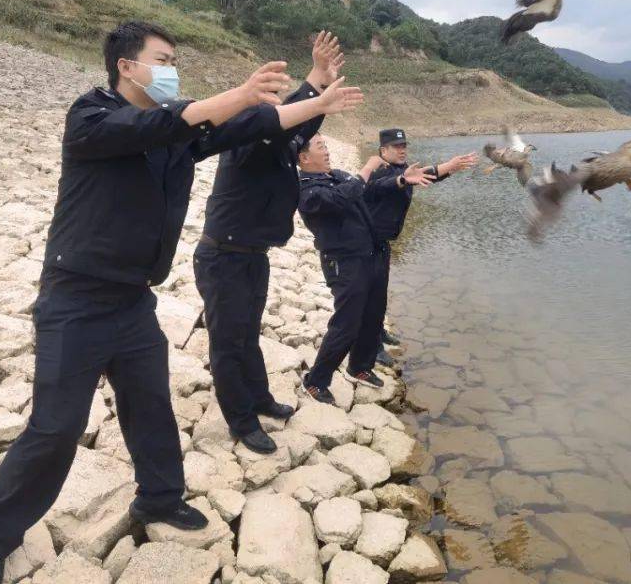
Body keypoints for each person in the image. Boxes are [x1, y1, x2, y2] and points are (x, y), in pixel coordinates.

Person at [0, 22, 358, 584]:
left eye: (174, 61)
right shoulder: (91, 117)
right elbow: (158, 123)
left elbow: (251, 127)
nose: (171, 70)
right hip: (75, 298)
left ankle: (160, 498)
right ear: (126, 65)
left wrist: (317, 99)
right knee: (56, 428)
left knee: (151, 406)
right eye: (162, 59)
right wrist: (237, 94)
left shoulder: (176, 136)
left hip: (133, 301)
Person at [194, 32, 359, 453]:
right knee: (229, 343)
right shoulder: (248, 140)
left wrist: (320, 77)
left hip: (251, 255)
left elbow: (299, 125)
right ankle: (241, 420)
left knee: (248, 334)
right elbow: (281, 122)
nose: (278, 116)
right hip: (223, 256)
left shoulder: (278, 144)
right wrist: (314, 87)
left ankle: (260, 399)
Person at [295, 134, 426, 402]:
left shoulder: (336, 175)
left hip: (369, 252)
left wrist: (401, 180)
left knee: (373, 313)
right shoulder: (307, 190)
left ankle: (360, 367)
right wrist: (367, 168)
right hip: (343, 262)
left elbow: (368, 190)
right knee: (347, 323)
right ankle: (315, 381)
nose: (328, 151)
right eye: (321, 147)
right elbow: (345, 196)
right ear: (304, 158)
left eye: (326, 146)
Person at [364, 129, 478, 365]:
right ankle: (371, 347)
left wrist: (451, 165)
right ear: (383, 150)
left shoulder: (400, 169)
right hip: (366, 243)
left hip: (381, 242)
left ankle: (378, 332)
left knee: (380, 293)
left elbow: (424, 175)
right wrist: (404, 179)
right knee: (370, 297)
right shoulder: (377, 170)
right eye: (396, 146)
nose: (402, 149)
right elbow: (382, 186)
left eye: (404, 144)